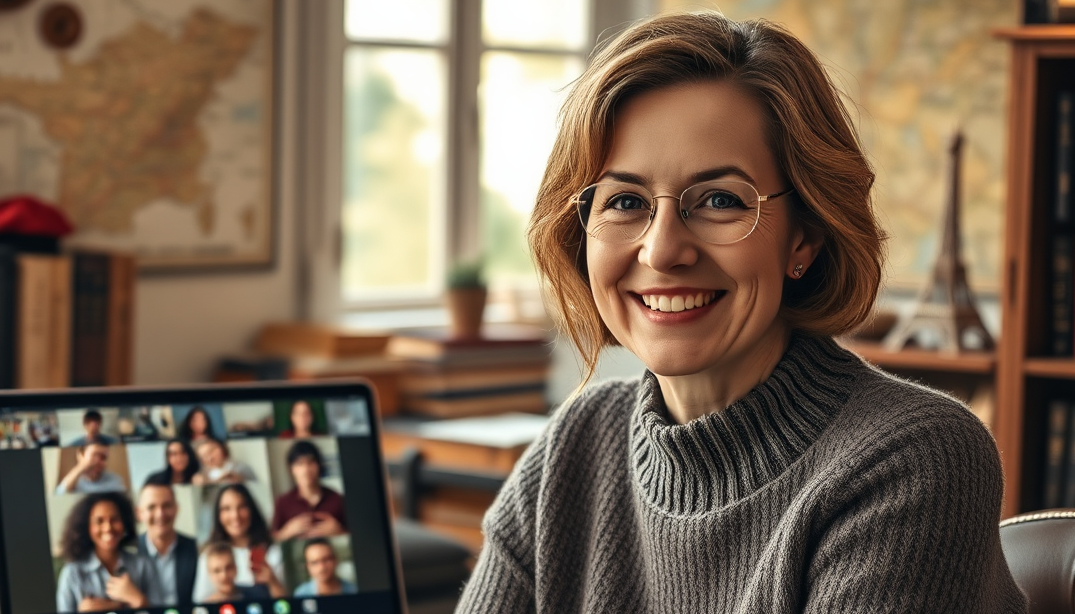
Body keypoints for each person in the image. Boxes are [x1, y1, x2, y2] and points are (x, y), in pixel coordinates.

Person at [456, 11, 1028, 613]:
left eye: (721, 201)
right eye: (624, 201)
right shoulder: (573, 446)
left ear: (804, 236)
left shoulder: (915, 458)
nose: (662, 250)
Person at [55, 491, 164, 612]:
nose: (108, 528)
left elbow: (164, 610)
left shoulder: (144, 565)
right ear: (87, 527)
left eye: (114, 519)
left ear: (124, 522)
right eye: (99, 521)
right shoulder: (72, 573)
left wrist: (139, 600)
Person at [191, 484, 286, 602]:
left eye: (241, 507)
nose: (235, 516)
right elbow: (199, 605)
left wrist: (272, 581)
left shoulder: (272, 552)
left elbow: (285, 604)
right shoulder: (209, 555)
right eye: (226, 509)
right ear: (218, 514)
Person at [135, 479, 199, 606]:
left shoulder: (196, 548)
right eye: (151, 507)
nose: (160, 514)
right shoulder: (128, 552)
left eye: (166, 505)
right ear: (140, 513)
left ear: (176, 508)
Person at [271, 441, 346, 541]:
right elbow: (271, 540)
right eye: (299, 464)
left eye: (311, 462)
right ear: (291, 469)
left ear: (319, 465)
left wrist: (339, 531)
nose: (306, 470)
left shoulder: (338, 499)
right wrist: (287, 532)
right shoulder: (282, 502)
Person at [201, 543, 271, 602]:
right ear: (209, 574)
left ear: (235, 568)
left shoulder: (258, 595)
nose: (224, 575)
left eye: (229, 568)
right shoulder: (205, 608)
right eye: (217, 571)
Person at [293, 539, 357, 597]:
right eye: (314, 562)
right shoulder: (301, 594)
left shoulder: (353, 590)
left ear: (336, 560)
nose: (322, 568)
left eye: (326, 560)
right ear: (307, 566)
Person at [56, 443, 126, 494]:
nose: (99, 462)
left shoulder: (115, 480)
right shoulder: (72, 482)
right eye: (95, 455)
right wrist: (81, 467)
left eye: (104, 457)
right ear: (81, 455)